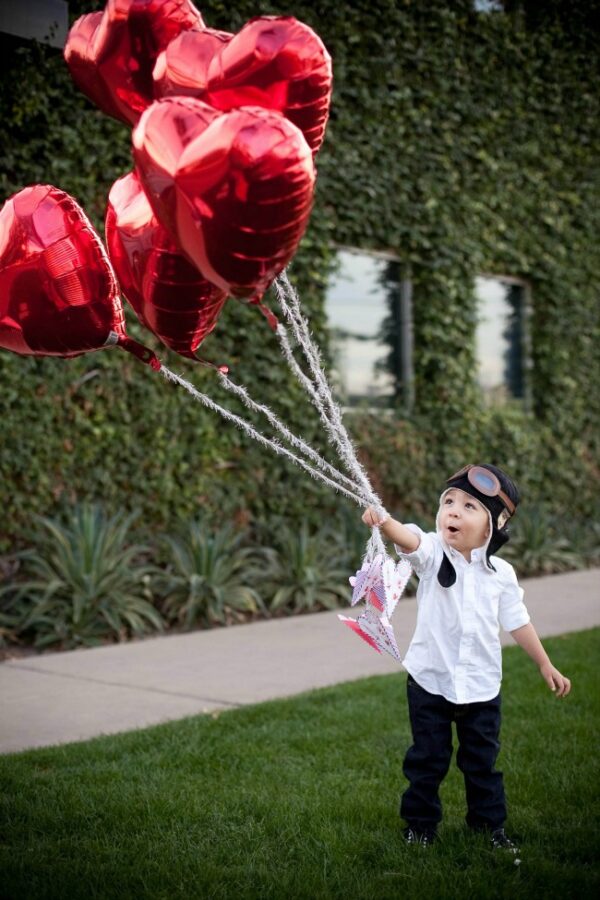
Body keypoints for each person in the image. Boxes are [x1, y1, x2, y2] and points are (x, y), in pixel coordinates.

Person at [362, 463, 571, 854]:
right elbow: (410, 540)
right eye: (448, 502)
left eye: (469, 506)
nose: (453, 511)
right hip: (430, 683)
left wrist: (545, 663)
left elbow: (517, 621)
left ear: (495, 523)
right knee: (427, 760)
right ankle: (420, 827)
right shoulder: (434, 555)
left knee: (482, 764)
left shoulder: (502, 575)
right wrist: (385, 521)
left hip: (481, 687)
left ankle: (488, 827)